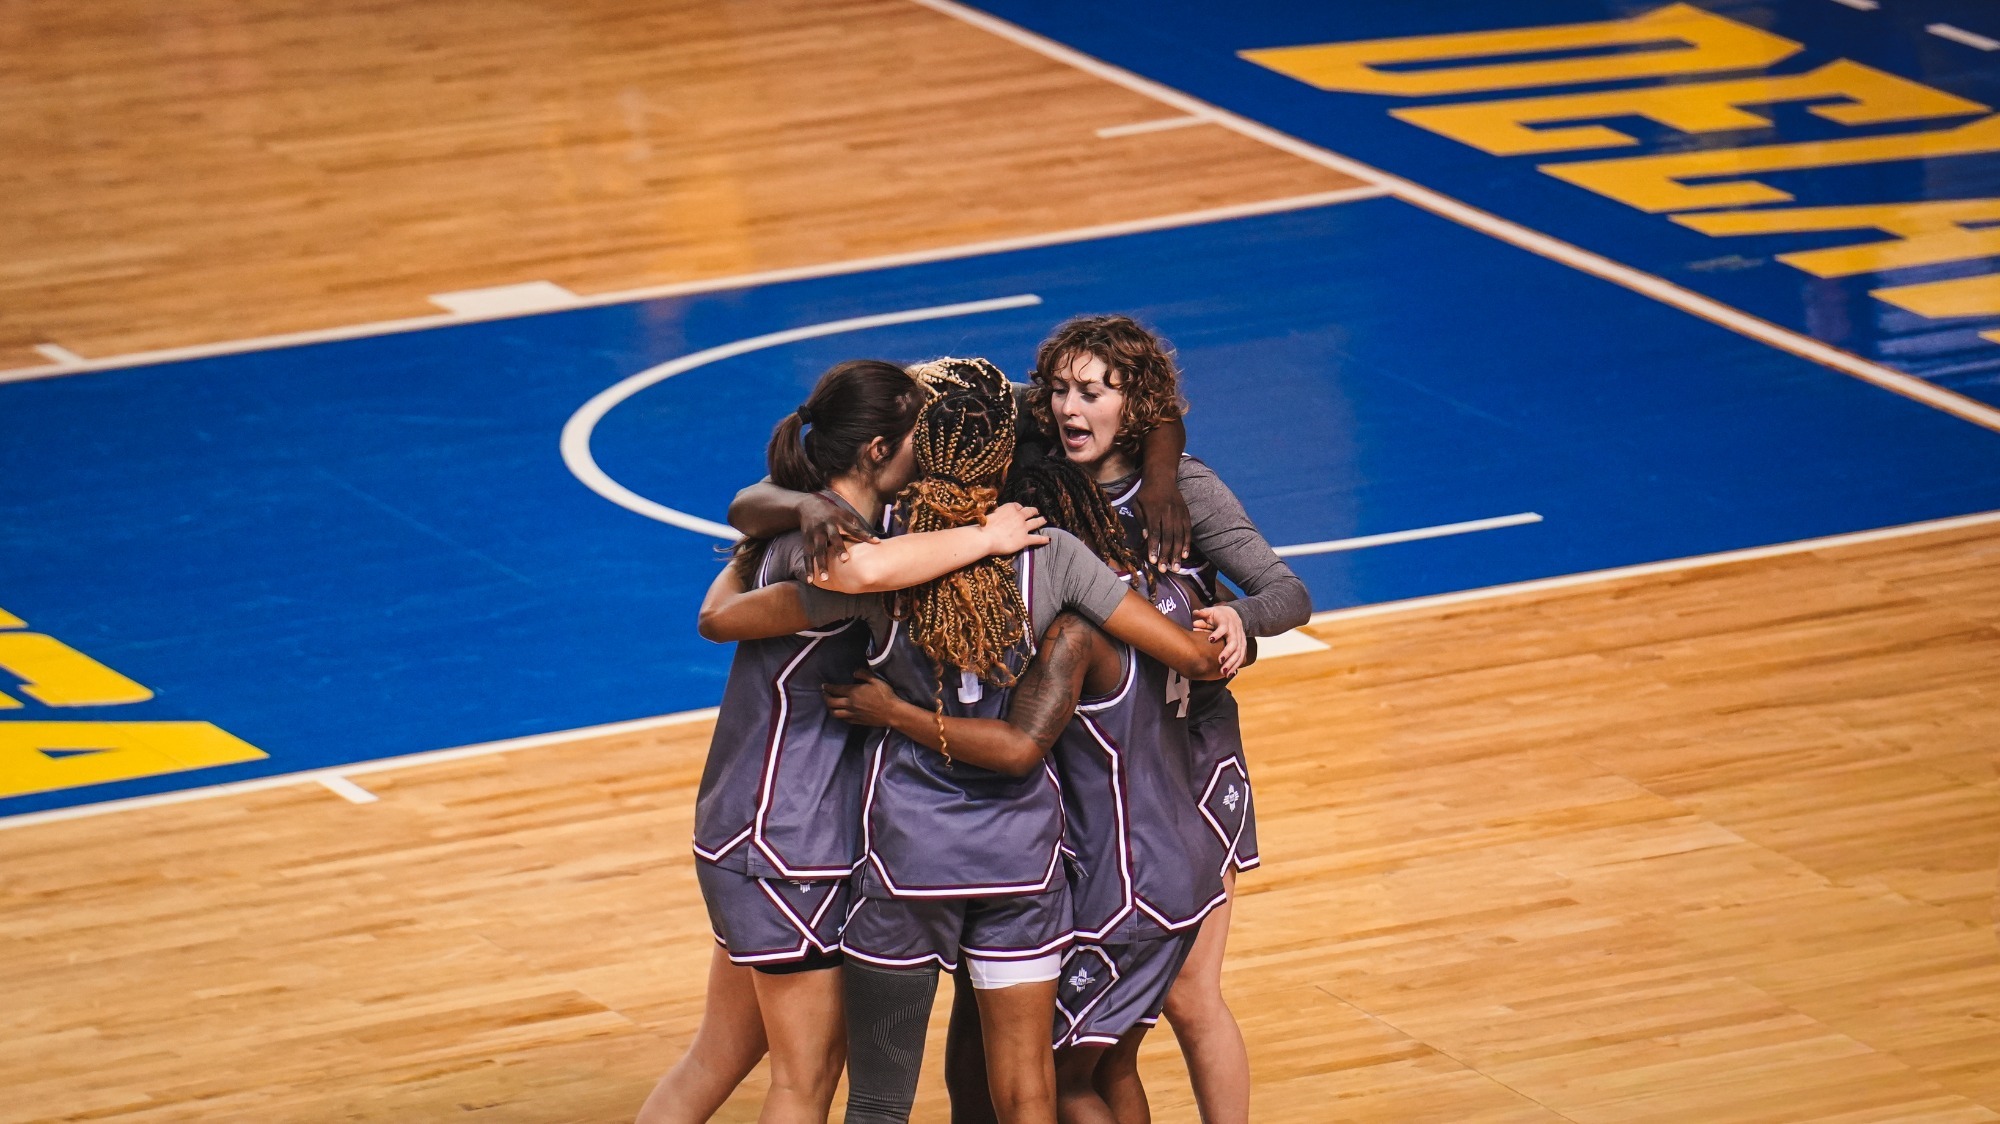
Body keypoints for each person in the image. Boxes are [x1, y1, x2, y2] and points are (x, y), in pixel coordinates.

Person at [803, 357, 1226, 1124]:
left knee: (877, 1096)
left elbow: (741, 608)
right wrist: (1232, 630)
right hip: (1025, 861)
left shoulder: (879, 553)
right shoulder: (1053, 554)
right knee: (1030, 1089)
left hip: (909, 855)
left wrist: (888, 708)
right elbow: (1193, 659)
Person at [636, 359, 1049, 1124]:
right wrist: (987, 536)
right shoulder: (838, 551)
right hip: (788, 839)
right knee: (808, 1075)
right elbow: (840, 586)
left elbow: (744, 533)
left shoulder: (815, 517)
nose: (931, 445)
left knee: (719, 1055)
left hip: (752, 830)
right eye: (918, 434)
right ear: (878, 449)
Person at [1030, 315, 1312, 1124]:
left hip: (1191, 770)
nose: (1069, 408)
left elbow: (1287, 592)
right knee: (1103, 1032)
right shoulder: (1042, 473)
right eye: (1060, 390)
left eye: (1093, 392)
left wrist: (1240, 625)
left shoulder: (1188, 487)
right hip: (1097, 788)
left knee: (1190, 998)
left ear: (1135, 406)